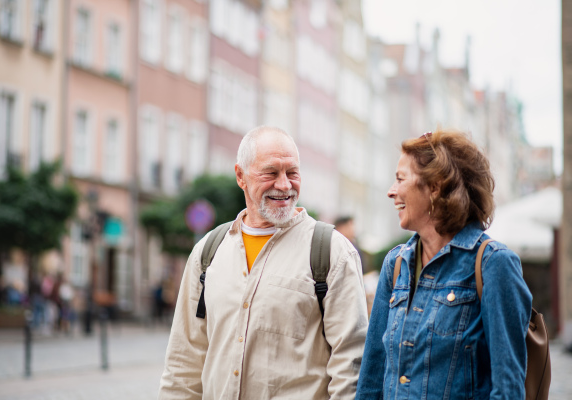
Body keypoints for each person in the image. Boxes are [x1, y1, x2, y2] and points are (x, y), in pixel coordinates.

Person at [158, 126, 369, 399]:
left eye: (292, 172)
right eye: (271, 173)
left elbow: (351, 364)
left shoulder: (332, 252)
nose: (284, 185)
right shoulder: (208, 252)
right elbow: (184, 361)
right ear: (240, 176)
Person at [355, 130, 533, 399]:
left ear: (435, 186)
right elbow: (371, 379)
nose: (391, 192)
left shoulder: (493, 264)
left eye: (401, 179)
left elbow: (508, 389)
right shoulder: (396, 264)